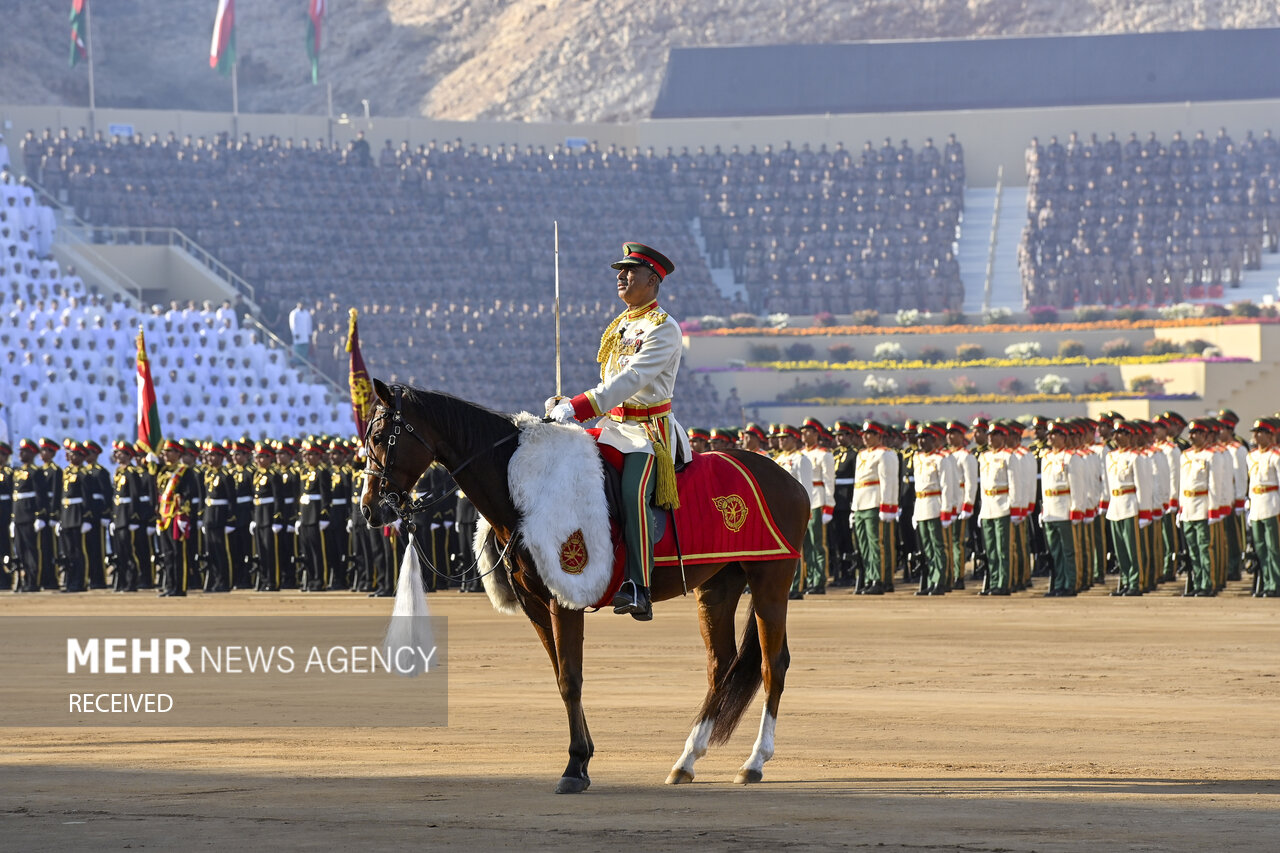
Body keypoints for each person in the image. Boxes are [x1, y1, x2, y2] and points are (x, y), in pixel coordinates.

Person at [547, 243, 688, 621]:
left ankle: (639, 586)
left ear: (653, 280)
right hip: (611, 425)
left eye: (630, 271)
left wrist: (577, 407)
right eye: (619, 271)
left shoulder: (664, 328)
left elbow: (631, 380)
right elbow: (607, 381)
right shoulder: (621, 323)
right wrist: (566, 402)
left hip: (647, 433)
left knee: (632, 495)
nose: (621, 277)